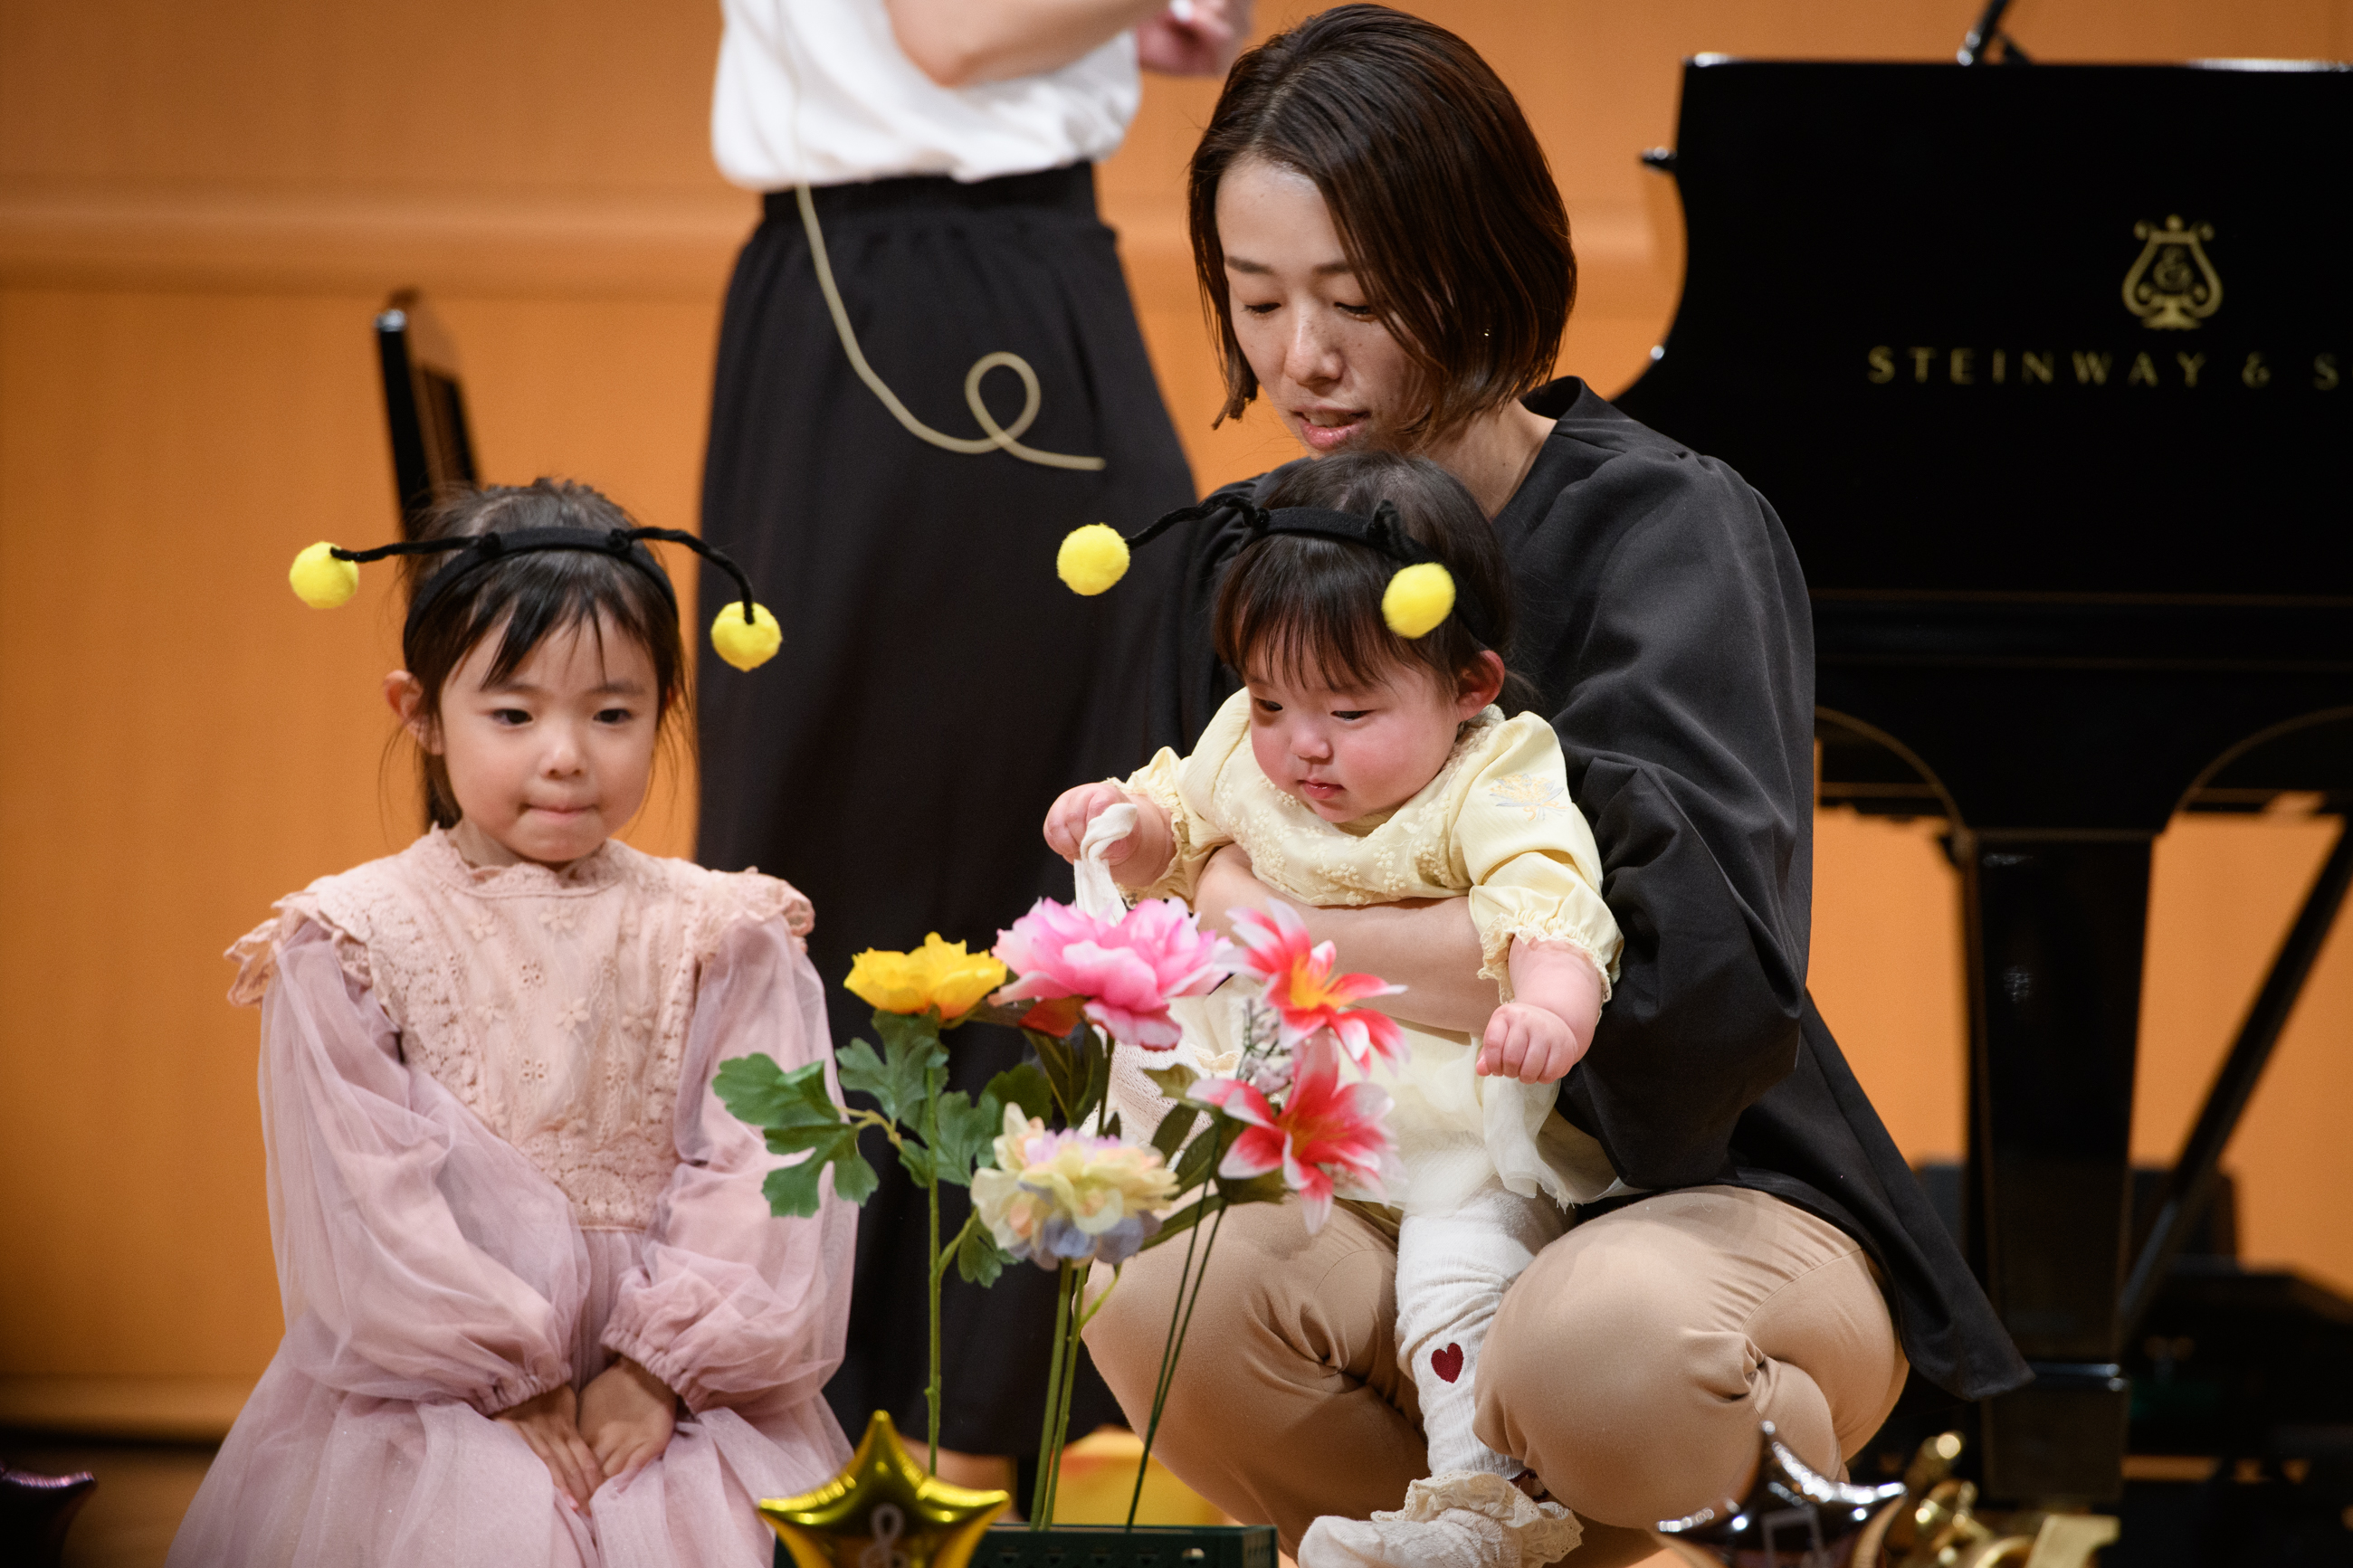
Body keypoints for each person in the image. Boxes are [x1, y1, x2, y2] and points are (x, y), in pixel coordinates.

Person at [1078, 9, 2033, 1566]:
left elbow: (1684, 983)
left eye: (1356, 299)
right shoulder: (1253, 548)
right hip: (1397, 1183)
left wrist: (1261, 915)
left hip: (1694, 1197)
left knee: (1596, 1342)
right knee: (1157, 1283)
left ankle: (1804, 1520)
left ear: (1483, 268)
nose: (1300, 355)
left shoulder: (1675, 532)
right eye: (1257, 299)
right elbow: (1162, 872)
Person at [695, 0, 1248, 1482]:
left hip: (990, 274)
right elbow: (947, 31)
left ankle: (972, 1432)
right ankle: (882, 1443)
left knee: (1066, 852)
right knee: (938, 873)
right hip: (923, 298)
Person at [170, 481, 853, 1567]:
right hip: (435, 1399)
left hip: (674, 1395)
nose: (567, 753)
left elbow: (767, 1165)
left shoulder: (728, 931)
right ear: (419, 710)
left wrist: (654, 1370)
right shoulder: (345, 941)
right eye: (514, 711)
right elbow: (367, 1201)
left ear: (668, 709)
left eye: (613, 712)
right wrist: (507, 1377)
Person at [1048, 451, 1622, 1564]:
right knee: (1171, 1249)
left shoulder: (1491, 773)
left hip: (1451, 1142)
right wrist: (1116, 822)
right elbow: (1175, 822)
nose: (1302, 742)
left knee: (1458, 1278)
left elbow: (1549, 900)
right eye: (1270, 699)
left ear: (1468, 686)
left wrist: (1551, 1005)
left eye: (1350, 709)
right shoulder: (1249, 756)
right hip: (1289, 1122)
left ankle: (1473, 1506)